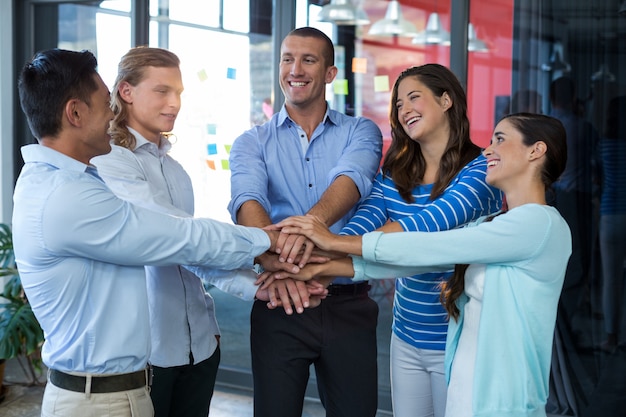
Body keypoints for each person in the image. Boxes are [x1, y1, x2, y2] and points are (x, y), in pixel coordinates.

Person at [12, 48, 306, 417]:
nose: (111, 113)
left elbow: (181, 246)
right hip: (103, 395)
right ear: (75, 112)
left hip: (127, 384)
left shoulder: (77, 180)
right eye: (106, 102)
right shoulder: (71, 192)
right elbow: (176, 237)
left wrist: (256, 283)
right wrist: (268, 241)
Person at [269, 112, 572, 417]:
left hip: (504, 404)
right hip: (464, 396)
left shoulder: (541, 225)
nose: (488, 150)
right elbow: (414, 262)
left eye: (500, 140)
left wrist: (334, 242)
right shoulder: (492, 224)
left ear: (536, 150)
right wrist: (326, 270)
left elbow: (432, 245)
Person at [227, 26, 383, 417]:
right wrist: (277, 260)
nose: (295, 69)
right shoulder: (251, 141)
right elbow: (248, 200)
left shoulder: (361, 131)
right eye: (287, 58)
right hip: (279, 304)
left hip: (349, 304)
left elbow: (352, 182)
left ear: (330, 73)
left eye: (308, 60)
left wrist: (300, 239)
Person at [336, 64, 502, 417]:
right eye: (398, 104)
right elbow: (363, 221)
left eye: (414, 97)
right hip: (406, 336)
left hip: (458, 340)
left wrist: (331, 247)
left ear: (446, 100)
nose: (404, 109)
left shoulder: (481, 170)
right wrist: (323, 251)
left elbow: (429, 224)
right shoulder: (395, 171)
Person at [548, 76, 599, 321]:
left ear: (551, 98)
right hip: (574, 199)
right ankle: (568, 319)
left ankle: (560, 318)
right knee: (577, 257)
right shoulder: (583, 127)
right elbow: (595, 162)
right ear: (574, 96)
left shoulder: (545, 126)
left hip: (550, 195)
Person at [597, 95, 626, 353]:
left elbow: (600, 177)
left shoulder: (604, 144)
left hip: (610, 213)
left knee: (611, 280)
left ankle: (611, 337)